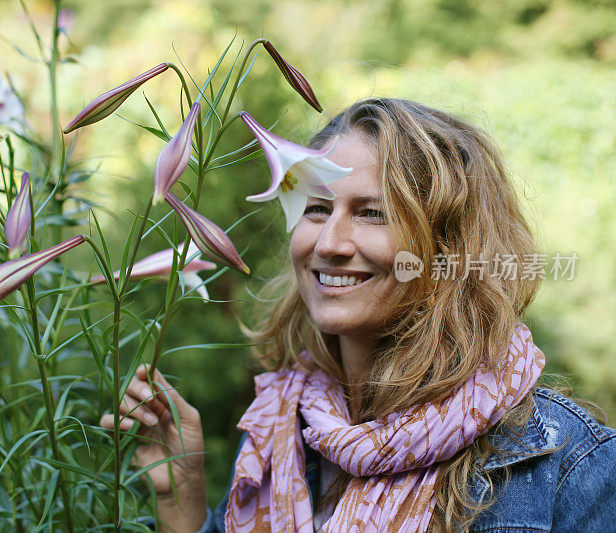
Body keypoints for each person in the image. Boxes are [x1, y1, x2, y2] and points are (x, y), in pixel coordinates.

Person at [101, 98, 616, 532]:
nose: (329, 243)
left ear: (450, 249)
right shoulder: (278, 430)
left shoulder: (566, 462)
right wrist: (180, 496)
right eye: (317, 209)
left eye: (373, 213)